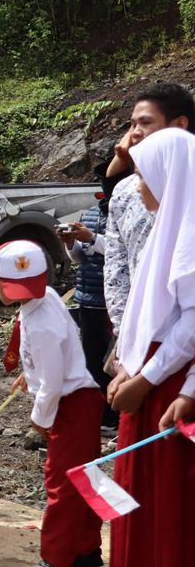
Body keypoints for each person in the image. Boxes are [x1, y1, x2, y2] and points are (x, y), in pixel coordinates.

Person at [106, 127, 195, 567]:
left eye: (143, 175)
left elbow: (193, 325)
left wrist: (147, 377)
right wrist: (128, 367)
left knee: (166, 510)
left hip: (167, 387)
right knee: (137, 501)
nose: (138, 187)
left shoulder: (191, 234)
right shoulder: (169, 228)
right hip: (149, 379)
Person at [0, 240, 106, 567]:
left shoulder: (40, 322)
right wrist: (31, 372)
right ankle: (85, 552)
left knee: (60, 484)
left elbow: (53, 384)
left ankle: (58, 563)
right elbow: (52, 358)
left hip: (71, 403)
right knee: (81, 479)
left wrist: (39, 421)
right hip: (80, 400)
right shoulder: (46, 299)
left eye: (0, 283)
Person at [104, 84, 194, 366]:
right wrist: (126, 334)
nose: (135, 132)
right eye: (132, 124)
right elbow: (116, 266)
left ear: (179, 125)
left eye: (145, 122)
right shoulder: (125, 190)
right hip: (141, 341)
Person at [59, 192, 119, 435]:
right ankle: (101, 416)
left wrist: (92, 237)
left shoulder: (126, 211)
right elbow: (79, 257)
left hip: (111, 300)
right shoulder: (92, 213)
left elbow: (121, 251)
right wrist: (70, 242)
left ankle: (114, 417)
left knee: (112, 362)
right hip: (88, 297)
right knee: (92, 361)